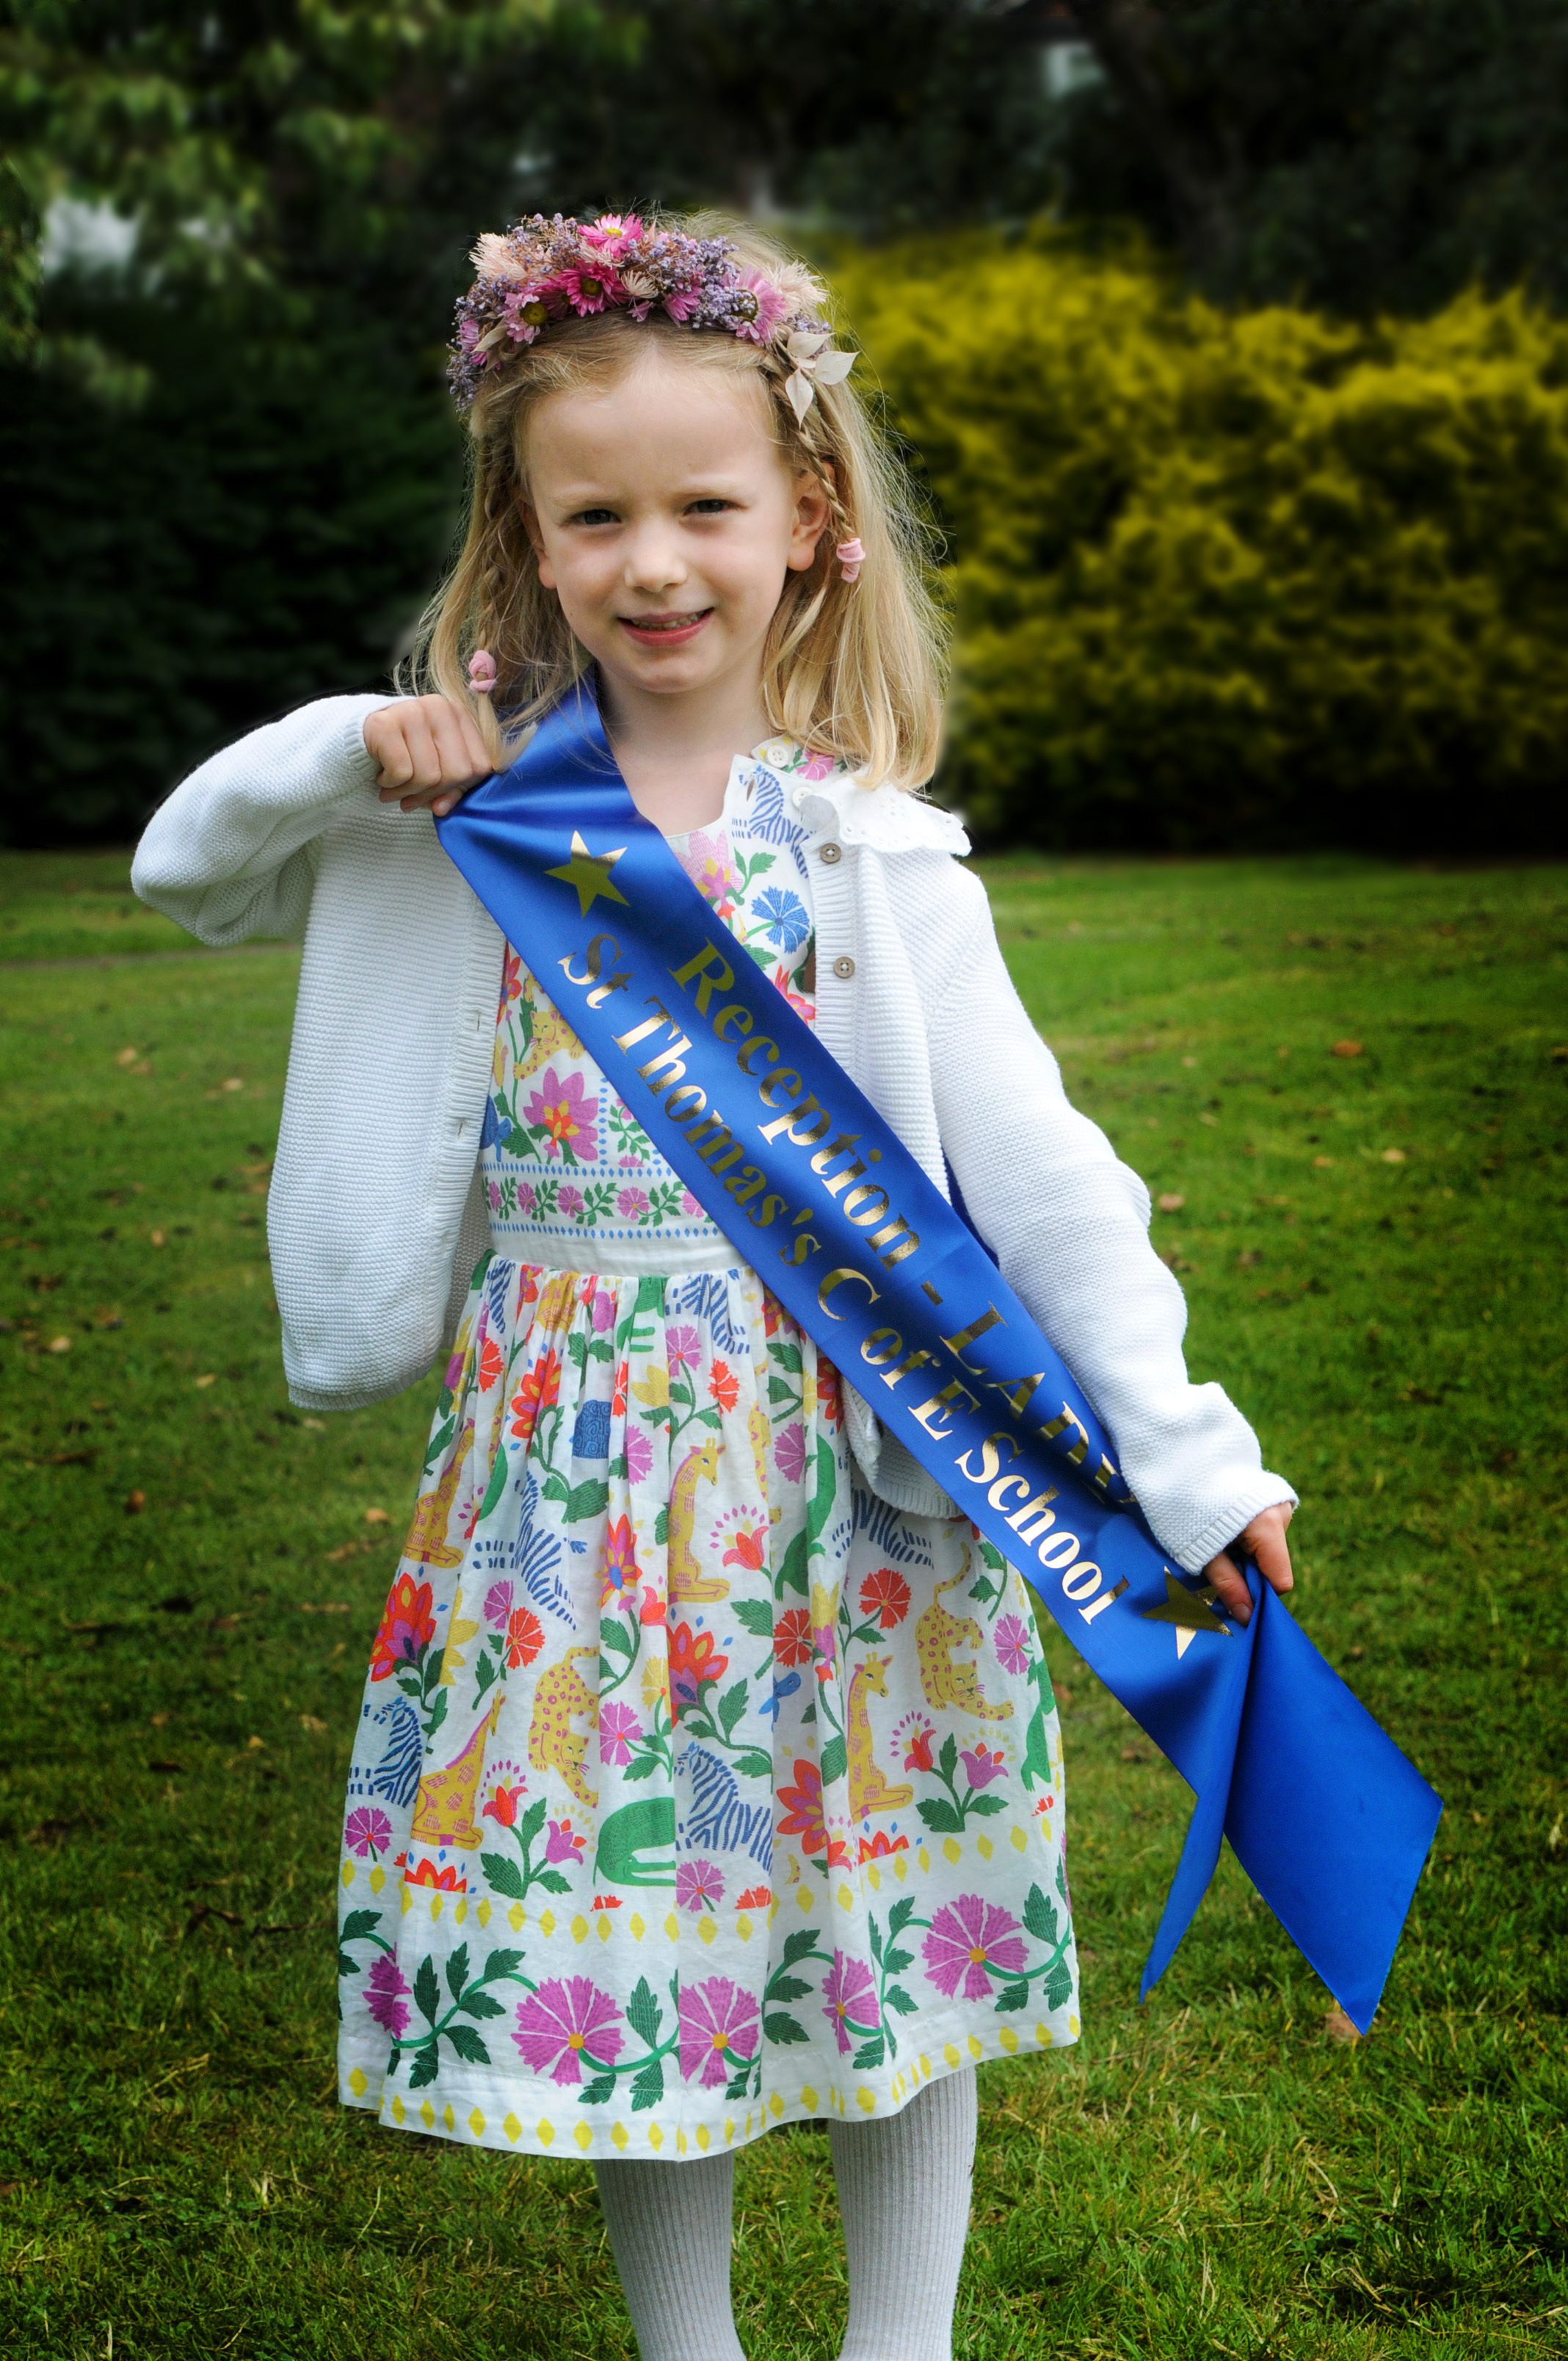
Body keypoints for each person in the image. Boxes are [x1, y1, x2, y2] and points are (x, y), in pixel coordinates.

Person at [133, 210, 1297, 2361]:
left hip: (855, 1485)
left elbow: (1042, 1175)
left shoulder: (874, 854)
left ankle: (903, 2342)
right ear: (529, 543)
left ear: (810, 526)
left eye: (705, 507)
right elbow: (183, 869)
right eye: (598, 517)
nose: (655, 560)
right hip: (575, 1497)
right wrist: (341, 742)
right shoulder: (473, 815)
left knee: (893, 1907)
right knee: (644, 1919)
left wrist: (1194, 1463)